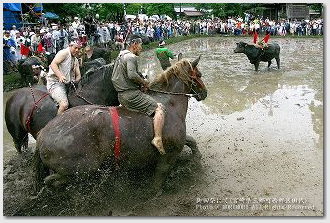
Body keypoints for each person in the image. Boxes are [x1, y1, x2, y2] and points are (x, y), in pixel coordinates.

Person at [111, 35, 166, 155]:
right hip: (131, 95)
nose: (141, 48)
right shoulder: (131, 57)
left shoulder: (120, 55)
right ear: (134, 44)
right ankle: (157, 138)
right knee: (159, 108)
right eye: (140, 45)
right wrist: (144, 82)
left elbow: (124, 75)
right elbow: (132, 75)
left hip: (121, 95)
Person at [46, 41, 82, 115]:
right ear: (70, 46)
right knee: (64, 105)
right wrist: (60, 75)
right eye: (75, 48)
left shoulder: (75, 59)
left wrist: (76, 81)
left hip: (69, 84)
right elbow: (53, 64)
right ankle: (56, 124)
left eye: (78, 48)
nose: (77, 50)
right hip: (55, 83)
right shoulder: (64, 53)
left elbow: (78, 75)